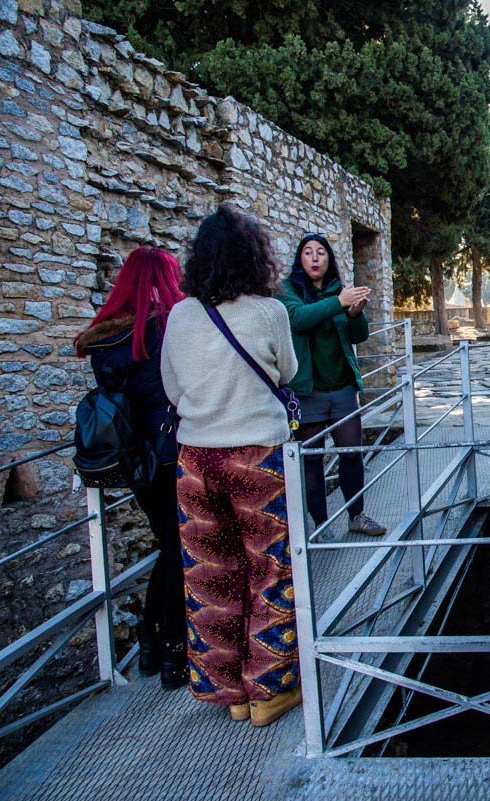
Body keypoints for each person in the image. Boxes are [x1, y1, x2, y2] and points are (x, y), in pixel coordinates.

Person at [160, 204, 302, 727]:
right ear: (254, 257)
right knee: (269, 568)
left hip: (195, 458)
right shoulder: (270, 312)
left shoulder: (180, 315)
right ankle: (268, 691)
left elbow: (172, 388)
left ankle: (229, 695)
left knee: (210, 576)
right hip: (257, 457)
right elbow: (288, 371)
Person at [75, 246, 186, 689]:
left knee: (167, 544)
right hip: (168, 450)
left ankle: (149, 640)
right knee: (179, 548)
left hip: (131, 457)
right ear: (165, 277)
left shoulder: (105, 337)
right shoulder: (165, 325)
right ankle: (173, 653)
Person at [277, 234, 384, 536]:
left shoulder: (340, 290)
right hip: (307, 391)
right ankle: (321, 525)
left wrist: (354, 313)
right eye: (308, 252)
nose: (314, 258)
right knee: (312, 461)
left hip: (342, 389)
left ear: (328, 259)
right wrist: (338, 303)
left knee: (351, 453)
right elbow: (297, 320)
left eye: (321, 252)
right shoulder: (288, 291)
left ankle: (357, 516)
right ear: (300, 259)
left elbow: (358, 335)